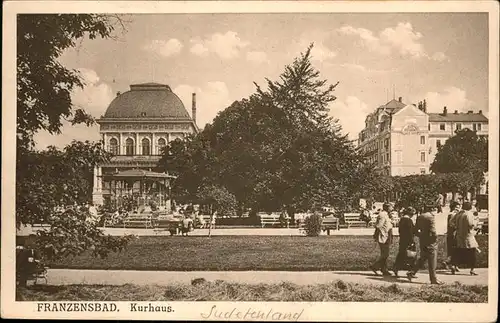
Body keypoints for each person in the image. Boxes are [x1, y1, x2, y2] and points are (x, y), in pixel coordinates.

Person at [407, 203, 444, 285]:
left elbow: (416, 230)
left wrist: (422, 236)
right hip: (431, 241)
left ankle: (412, 272)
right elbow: (433, 230)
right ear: (432, 209)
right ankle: (433, 279)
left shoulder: (420, 216)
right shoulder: (431, 217)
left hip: (423, 240)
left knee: (423, 258)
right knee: (432, 260)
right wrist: (435, 238)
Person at [454, 202, 480, 275]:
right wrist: (475, 223)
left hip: (459, 235)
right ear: (470, 207)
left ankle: (454, 265)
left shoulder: (459, 213)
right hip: (468, 235)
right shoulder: (469, 214)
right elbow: (470, 224)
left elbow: (451, 222)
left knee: (459, 251)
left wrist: (457, 227)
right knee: (472, 252)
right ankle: (472, 269)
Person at [370, 203, 393, 276]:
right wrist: (377, 235)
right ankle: (375, 266)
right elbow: (378, 226)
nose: (392, 208)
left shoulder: (386, 214)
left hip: (387, 235)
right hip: (383, 236)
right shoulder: (382, 215)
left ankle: (384, 270)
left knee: (385, 253)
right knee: (385, 254)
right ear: (387, 207)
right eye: (391, 206)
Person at [392, 207, 416, 277]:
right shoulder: (409, 221)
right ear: (410, 213)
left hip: (402, 240)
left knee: (401, 255)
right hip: (408, 240)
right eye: (412, 214)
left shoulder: (402, 220)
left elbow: (400, 231)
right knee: (412, 256)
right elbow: (410, 232)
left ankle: (396, 268)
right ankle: (411, 271)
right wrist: (411, 241)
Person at [443, 201, 461, 273]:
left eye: (459, 206)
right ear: (453, 207)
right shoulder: (453, 214)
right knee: (455, 250)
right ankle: (449, 263)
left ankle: (454, 265)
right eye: (457, 207)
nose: (458, 208)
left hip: (450, 234)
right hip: (454, 234)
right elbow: (452, 225)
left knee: (452, 250)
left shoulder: (451, 214)